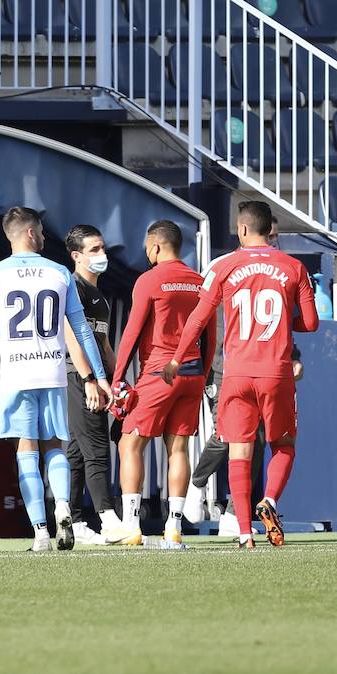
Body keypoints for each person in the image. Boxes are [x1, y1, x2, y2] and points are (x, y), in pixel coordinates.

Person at [166, 201, 318, 549]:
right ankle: (271, 501)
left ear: (242, 229)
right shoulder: (294, 267)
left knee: (238, 450)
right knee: (283, 445)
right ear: (271, 230)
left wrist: (177, 360)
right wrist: (283, 326)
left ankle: (245, 534)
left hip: (235, 373)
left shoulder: (223, 267)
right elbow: (310, 323)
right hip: (275, 372)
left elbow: (197, 320)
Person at [0, 207, 108, 552]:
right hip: (53, 372)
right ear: (29, 233)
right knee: (54, 445)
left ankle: (41, 531)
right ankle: (64, 508)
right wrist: (98, 376)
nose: (43, 236)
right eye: (40, 231)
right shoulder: (59, 272)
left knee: (25, 449)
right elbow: (82, 330)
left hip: (16, 374)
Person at [107, 219, 214, 549]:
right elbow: (211, 337)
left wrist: (117, 378)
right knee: (178, 449)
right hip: (192, 374)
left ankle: (132, 525)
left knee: (130, 444)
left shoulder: (149, 280)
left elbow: (132, 332)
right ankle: (173, 528)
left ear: (155, 246)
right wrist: (203, 374)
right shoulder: (200, 282)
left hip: (157, 373)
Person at [61, 224, 121, 546]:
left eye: (103, 249)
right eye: (94, 250)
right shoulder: (73, 287)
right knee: (97, 447)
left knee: (77, 452)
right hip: (77, 375)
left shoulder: (100, 296)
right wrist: (89, 380)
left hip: (96, 377)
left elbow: (104, 343)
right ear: (76, 256)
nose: (102, 255)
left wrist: (119, 379)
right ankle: (109, 520)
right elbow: (73, 339)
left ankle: (74, 520)